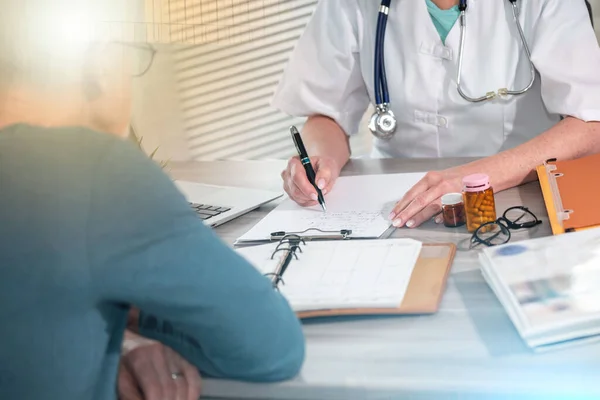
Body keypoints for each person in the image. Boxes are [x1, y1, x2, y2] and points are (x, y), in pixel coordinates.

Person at [0, 1, 305, 399]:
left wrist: (119, 335)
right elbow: (272, 346)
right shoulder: (91, 171)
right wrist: (140, 315)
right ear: (104, 62)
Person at [274, 0, 600, 228]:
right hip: (393, 204)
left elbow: (590, 121)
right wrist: (321, 160)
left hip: (518, 200)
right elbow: (325, 114)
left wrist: (467, 180)